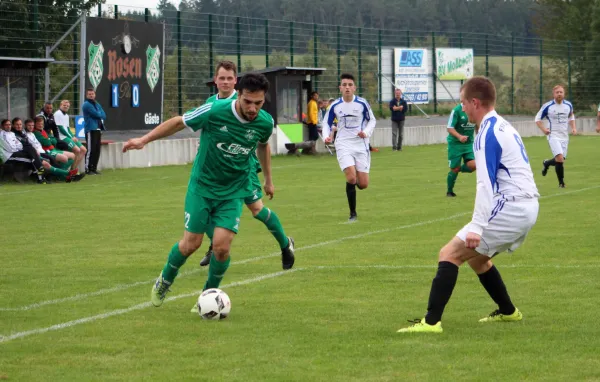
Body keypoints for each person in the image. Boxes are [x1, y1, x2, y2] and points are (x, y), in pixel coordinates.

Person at [122, 73, 290, 309]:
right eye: (247, 102)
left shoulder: (264, 122)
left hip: (233, 190)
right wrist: (144, 140)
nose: (253, 108)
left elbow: (263, 146)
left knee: (221, 247)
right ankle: (165, 280)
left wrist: (269, 179)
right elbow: (179, 121)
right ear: (238, 95)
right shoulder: (214, 110)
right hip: (202, 187)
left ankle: (207, 296)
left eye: (258, 103)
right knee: (191, 244)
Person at [398, 76, 539, 334]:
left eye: (463, 103)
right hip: (527, 207)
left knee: (449, 254)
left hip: (511, 207)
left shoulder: (486, 133)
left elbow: (485, 184)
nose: (462, 108)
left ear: (475, 102)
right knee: (478, 260)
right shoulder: (503, 125)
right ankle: (509, 312)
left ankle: (430, 323)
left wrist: (477, 225)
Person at [197, 61, 295, 271]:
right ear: (215, 80)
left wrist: (269, 179)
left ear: (236, 82)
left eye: (229, 78)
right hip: (214, 172)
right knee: (202, 210)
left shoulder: (245, 103)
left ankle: (286, 245)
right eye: (221, 78)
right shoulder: (211, 104)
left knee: (257, 210)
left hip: (242, 170)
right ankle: (215, 245)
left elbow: (262, 145)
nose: (225, 82)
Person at [323, 73, 376, 222]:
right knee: (351, 177)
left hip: (360, 145)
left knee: (363, 184)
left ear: (354, 88)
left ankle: (356, 181)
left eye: (350, 85)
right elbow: (326, 123)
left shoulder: (362, 103)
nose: (347, 87)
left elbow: (372, 121)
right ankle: (353, 214)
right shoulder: (335, 105)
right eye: (344, 85)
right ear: (340, 88)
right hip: (343, 144)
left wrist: (365, 132)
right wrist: (326, 136)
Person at [536, 85, 576, 188]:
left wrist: (573, 128)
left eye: (561, 92)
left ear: (564, 93)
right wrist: (544, 130)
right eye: (557, 92)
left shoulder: (568, 105)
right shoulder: (548, 106)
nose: (559, 94)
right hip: (552, 135)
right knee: (559, 158)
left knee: (560, 159)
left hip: (564, 136)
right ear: (553, 94)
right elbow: (537, 119)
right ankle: (561, 183)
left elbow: (571, 116)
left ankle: (547, 163)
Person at [0, 119, 47, 183]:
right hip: (10, 156)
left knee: (32, 151)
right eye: (6, 125)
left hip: (17, 152)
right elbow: (10, 148)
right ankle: (41, 176)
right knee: (33, 159)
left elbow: (19, 144)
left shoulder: (12, 133)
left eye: (9, 125)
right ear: (2, 126)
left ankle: (40, 177)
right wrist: (17, 147)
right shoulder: (2, 135)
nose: (8, 126)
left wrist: (16, 146)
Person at [446, 103, 476, 197]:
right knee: (454, 168)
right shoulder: (456, 110)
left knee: (474, 165)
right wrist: (459, 136)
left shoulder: (475, 109)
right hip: (455, 144)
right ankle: (449, 191)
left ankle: (457, 169)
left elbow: (478, 124)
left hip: (469, 144)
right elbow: (449, 128)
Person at [54, 99, 87, 172]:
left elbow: (68, 129)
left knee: (83, 150)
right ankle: (71, 171)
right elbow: (60, 128)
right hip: (62, 137)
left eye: (67, 106)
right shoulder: (58, 114)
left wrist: (73, 136)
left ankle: (73, 169)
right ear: (60, 105)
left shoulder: (66, 116)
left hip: (67, 136)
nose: (66, 107)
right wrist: (70, 137)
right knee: (77, 150)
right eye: (64, 105)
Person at [82, 88, 106, 175]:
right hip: (90, 129)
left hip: (98, 128)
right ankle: (87, 169)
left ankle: (94, 168)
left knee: (97, 150)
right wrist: (99, 113)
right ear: (86, 95)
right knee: (90, 149)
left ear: (95, 94)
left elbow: (104, 115)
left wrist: (99, 113)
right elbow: (96, 114)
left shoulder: (96, 103)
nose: (91, 95)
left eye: (92, 94)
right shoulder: (86, 104)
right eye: (89, 94)